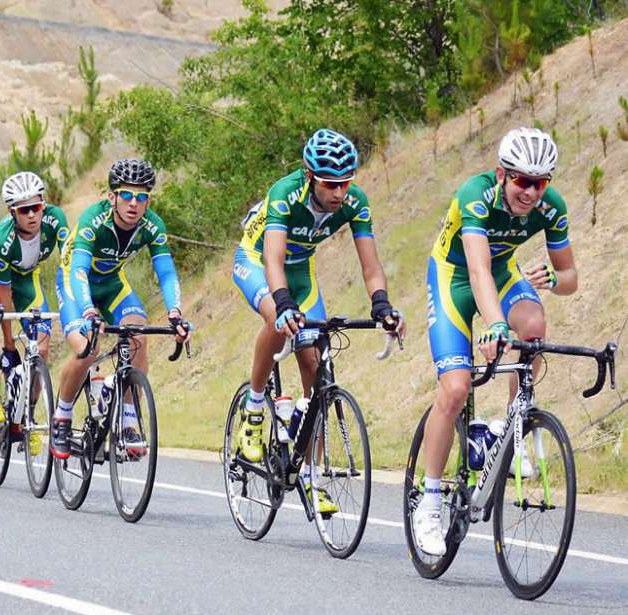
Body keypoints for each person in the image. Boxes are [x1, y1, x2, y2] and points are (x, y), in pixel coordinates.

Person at [412, 127, 574, 556]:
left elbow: (571, 278)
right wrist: (496, 325)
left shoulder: (550, 207)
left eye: (540, 183)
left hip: (503, 274)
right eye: (522, 180)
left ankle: (511, 428)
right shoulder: (476, 194)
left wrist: (554, 279)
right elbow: (478, 270)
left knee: (535, 328)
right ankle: (428, 500)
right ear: (502, 174)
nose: (531, 192)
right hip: (454, 279)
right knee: (456, 387)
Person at [232, 128, 404, 513]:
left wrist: (382, 304)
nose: (339, 194)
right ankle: (256, 405)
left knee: (316, 367)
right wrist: (283, 303)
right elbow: (272, 260)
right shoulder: (285, 193)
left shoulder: (355, 202)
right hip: (258, 263)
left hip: (301, 270)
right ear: (310, 176)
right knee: (278, 320)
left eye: (346, 184)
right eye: (331, 184)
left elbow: (371, 265)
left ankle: (310, 473)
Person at [51, 158, 192, 459]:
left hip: (112, 283)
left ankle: (129, 419)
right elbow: (77, 269)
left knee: (137, 328)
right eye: (126, 195)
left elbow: (166, 272)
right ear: (112, 196)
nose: (134, 203)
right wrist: (88, 311)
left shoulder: (152, 226)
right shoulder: (94, 220)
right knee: (87, 348)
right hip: (75, 282)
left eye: (142, 197)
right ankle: (61, 417)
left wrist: (175, 312)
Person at [0, 171, 68, 430]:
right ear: (13, 212)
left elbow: (70, 259)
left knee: (41, 350)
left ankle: (28, 413)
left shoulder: (55, 219)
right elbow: (5, 299)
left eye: (36, 207)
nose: (32, 215)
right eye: (25, 211)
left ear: (44, 203)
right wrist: (10, 346)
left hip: (26, 279)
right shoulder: (3, 239)